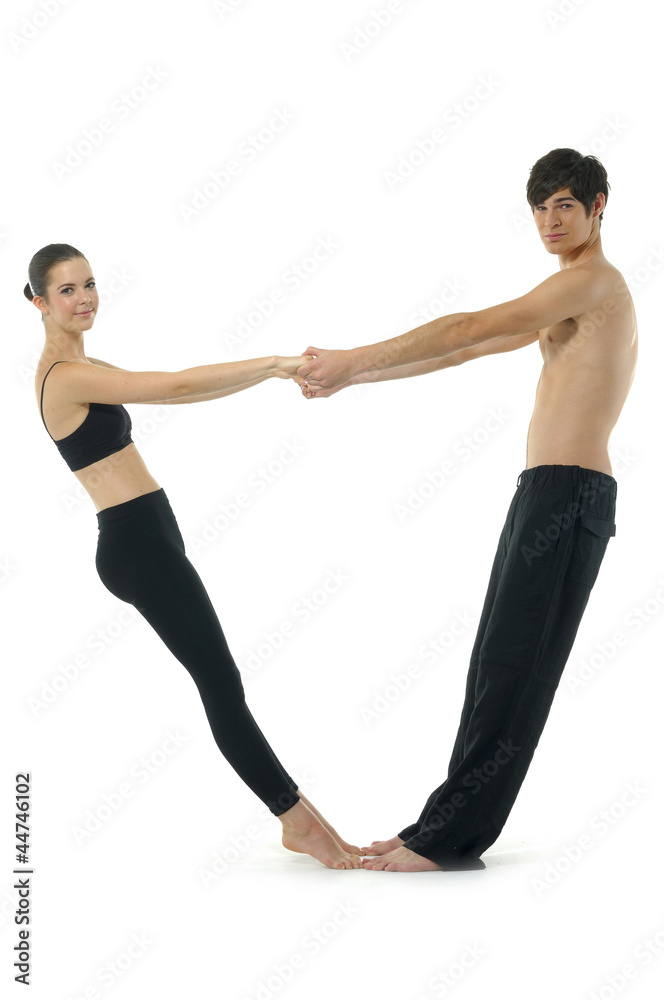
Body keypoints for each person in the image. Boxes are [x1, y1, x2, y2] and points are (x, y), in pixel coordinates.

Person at [294, 148, 638, 872]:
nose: (550, 220)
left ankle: (452, 840)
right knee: (493, 663)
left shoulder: (593, 282)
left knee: (517, 669)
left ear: (599, 205)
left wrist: (352, 359)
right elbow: (458, 355)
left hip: (571, 493)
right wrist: (358, 382)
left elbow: (468, 327)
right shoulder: (567, 296)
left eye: (566, 205)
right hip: (544, 490)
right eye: (540, 208)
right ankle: (440, 821)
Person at [28, 243, 363, 870]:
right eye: (67, 291)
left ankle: (309, 823)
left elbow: (181, 392)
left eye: (90, 284)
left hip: (148, 534)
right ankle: (300, 825)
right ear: (39, 302)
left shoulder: (84, 364)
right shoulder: (65, 376)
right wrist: (273, 363)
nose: (85, 299)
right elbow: (177, 385)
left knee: (220, 679)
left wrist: (273, 371)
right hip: (136, 544)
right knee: (221, 683)